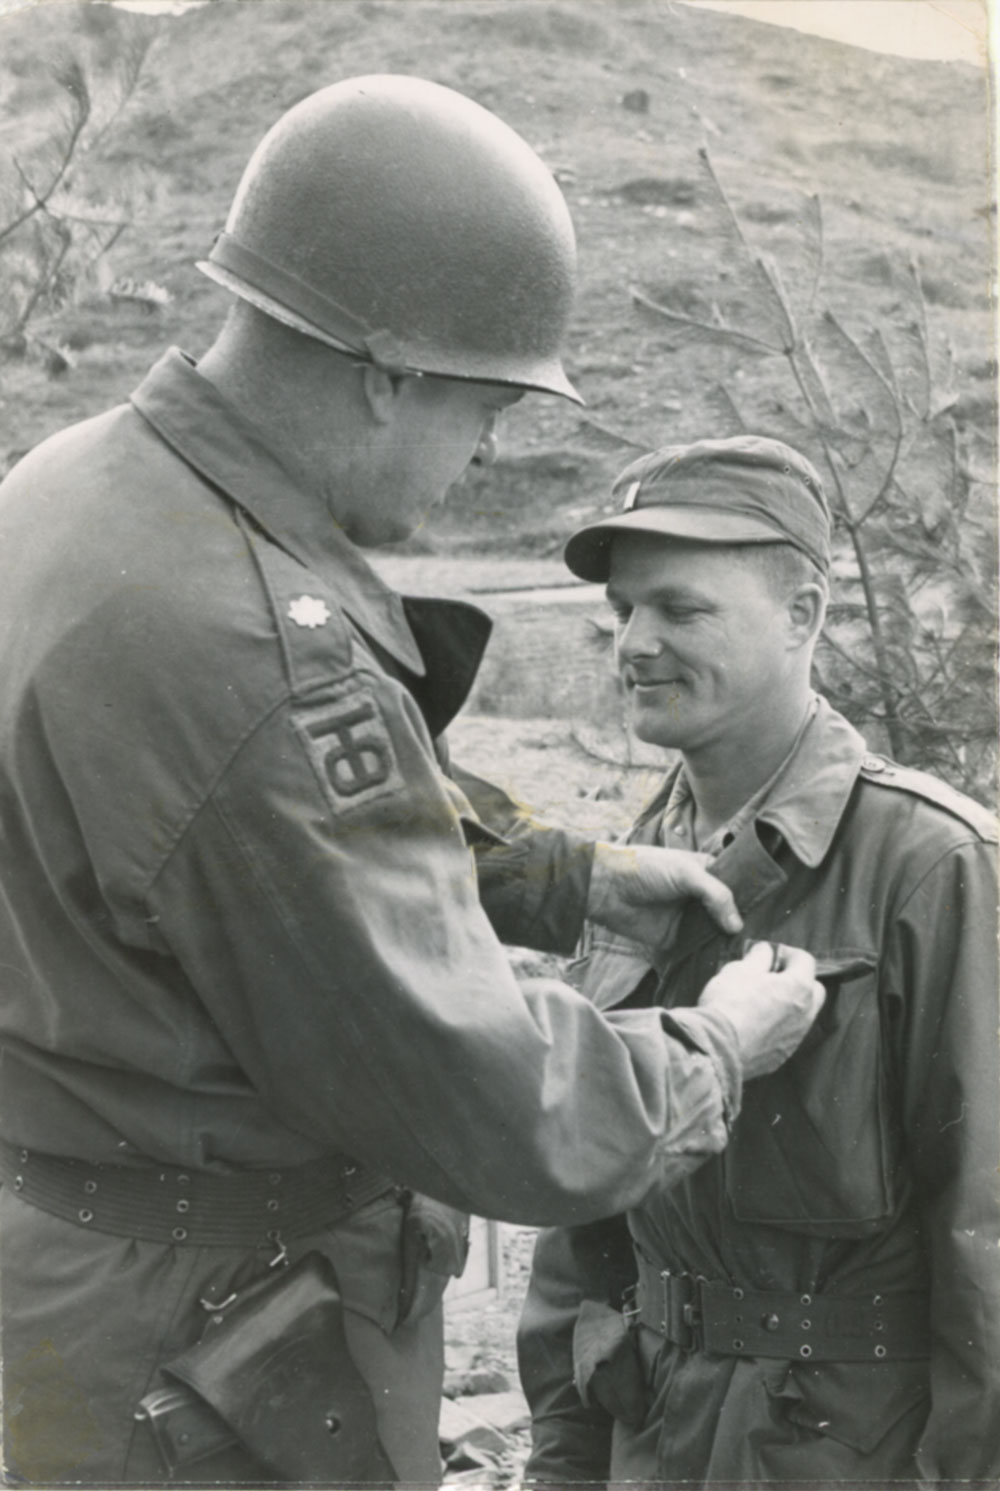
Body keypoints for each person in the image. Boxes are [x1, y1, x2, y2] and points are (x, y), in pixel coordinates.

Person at [0, 79, 824, 1487]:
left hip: (78, 1280)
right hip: (219, 1350)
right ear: (386, 370)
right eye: (488, 403)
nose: (492, 449)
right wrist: (716, 1048)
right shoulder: (258, 650)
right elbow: (499, 1104)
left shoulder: (68, 490)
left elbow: (206, 833)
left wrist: (559, 871)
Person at [517, 434, 1000, 1486]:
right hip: (651, 1439)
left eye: (679, 610)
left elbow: (987, 1237)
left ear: (804, 615)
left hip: (844, 1453)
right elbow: (589, 1203)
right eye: (621, 613)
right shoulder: (641, 857)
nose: (634, 644)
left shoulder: (931, 865)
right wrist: (563, 1454)